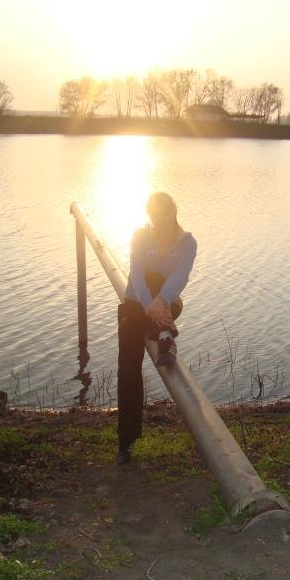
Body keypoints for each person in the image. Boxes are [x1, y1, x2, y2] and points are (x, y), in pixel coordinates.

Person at [116, 191, 197, 464]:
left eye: (165, 212)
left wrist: (160, 301)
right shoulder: (141, 235)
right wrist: (149, 304)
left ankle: (162, 331)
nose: (160, 219)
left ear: (174, 211)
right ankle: (125, 441)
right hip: (135, 303)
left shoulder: (188, 243)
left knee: (170, 296)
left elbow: (180, 277)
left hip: (165, 304)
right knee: (128, 366)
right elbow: (136, 273)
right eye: (154, 214)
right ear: (149, 216)